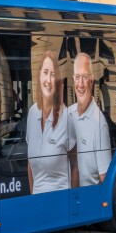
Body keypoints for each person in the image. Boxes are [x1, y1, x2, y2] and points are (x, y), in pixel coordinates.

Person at [26, 51, 76, 193]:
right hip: (38, 203)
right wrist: (32, 196)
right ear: (39, 75)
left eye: (53, 75)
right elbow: (30, 165)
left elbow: (76, 166)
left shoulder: (66, 117)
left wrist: (72, 202)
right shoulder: (32, 113)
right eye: (45, 72)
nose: (48, 79)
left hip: (60, 200)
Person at [67, 52, 112, 186]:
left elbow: (105, 178)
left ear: (91, 81)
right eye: (77, 77)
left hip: (87, 200)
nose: (80, 84)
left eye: (85, 77)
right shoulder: (67, 114)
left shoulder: (99, 125)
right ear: (73, 79)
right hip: (67, 198)